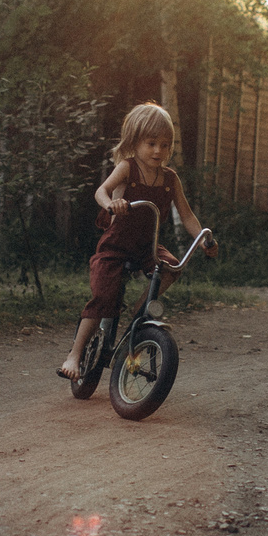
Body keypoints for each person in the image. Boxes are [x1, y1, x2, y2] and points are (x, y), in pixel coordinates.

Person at [57, 103, 214, 381]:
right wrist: (111, 204)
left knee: (173, 267)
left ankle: (140, 310)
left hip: (147, 246)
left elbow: (187, 215)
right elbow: (101, 191)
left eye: (165, 145)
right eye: (151, 143)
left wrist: (202, 239)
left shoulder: (170, 178)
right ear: (134, 141)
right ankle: (75, 354)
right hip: (116, 246)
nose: (158, 151)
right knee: (104, 298)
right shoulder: (127, 168)